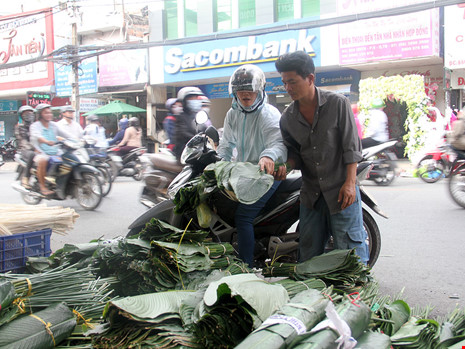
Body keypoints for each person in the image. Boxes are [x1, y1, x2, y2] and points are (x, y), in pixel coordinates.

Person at [275, 51, 368, 264]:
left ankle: (356, 295)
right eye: (284, 83)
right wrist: (285, 167)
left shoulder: (338, 104)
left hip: (342, 191)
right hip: (312, 196)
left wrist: (350, 184)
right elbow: (295, 154)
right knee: (308, 255)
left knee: (350, 252)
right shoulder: (288, 118)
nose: (287, 88)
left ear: (310, 78)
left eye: (292, 82)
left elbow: (351, 147)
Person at [216, 64, 287, 268]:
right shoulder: (233, 114)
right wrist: (218, 164)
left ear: (260, 90)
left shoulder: (268, 114)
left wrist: (268, 156)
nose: (245, 94)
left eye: (250, 90)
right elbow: (226, 144)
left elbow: (278, 143)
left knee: (243, 217)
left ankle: (245, 267)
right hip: (244, 173)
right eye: (241, 90)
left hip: (267, 174)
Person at [29, 104, 73, 196]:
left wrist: (78, 140)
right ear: (40, 115)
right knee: (42, 160)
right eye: (46, 113)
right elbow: (37, 136)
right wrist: (46, 141)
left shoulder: (54, 125)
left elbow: (66, 134)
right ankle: (43, 186)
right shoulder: (35, 126)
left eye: (50, 112)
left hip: (56, 151)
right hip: (41, 152)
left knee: (69, 159)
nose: (49, 114)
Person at [173, 86, 205, 160]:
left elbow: (205, 129)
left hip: (198, 150)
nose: (195, 100)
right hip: (185, 153)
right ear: (184, 101)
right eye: (192, 98)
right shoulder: (181, 117)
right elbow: (183, 133)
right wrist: (197, 139)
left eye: (196, 98)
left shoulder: (197, 116)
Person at [15, 105, 36, 188]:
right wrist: (34, 148)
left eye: (31, 113)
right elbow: (23, 141)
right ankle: (25, 178)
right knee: (32, 154)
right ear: (22, 116)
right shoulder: (20, 127)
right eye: (26, 114)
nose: (29, 115)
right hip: (25, 150)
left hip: (38, 148)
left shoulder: (35, 126)